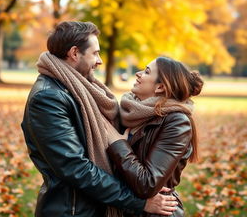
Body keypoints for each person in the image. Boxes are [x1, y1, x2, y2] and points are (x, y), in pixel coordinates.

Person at [21, 21, 178, 217]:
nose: (100, 61)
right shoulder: (48, 98)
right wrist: (139, 202)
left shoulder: (80, 90)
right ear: (75, 53)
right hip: (72, 211)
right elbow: (76, 168)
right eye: (95, 53)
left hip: (96, 206)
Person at [105, 56, 204, 216]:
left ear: (160, 87)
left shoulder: (177, 122)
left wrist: (118, 144)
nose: (138, 73)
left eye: (146, 71)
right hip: (125, 206)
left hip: (156, 212)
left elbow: (148, 183)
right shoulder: (128, 113)